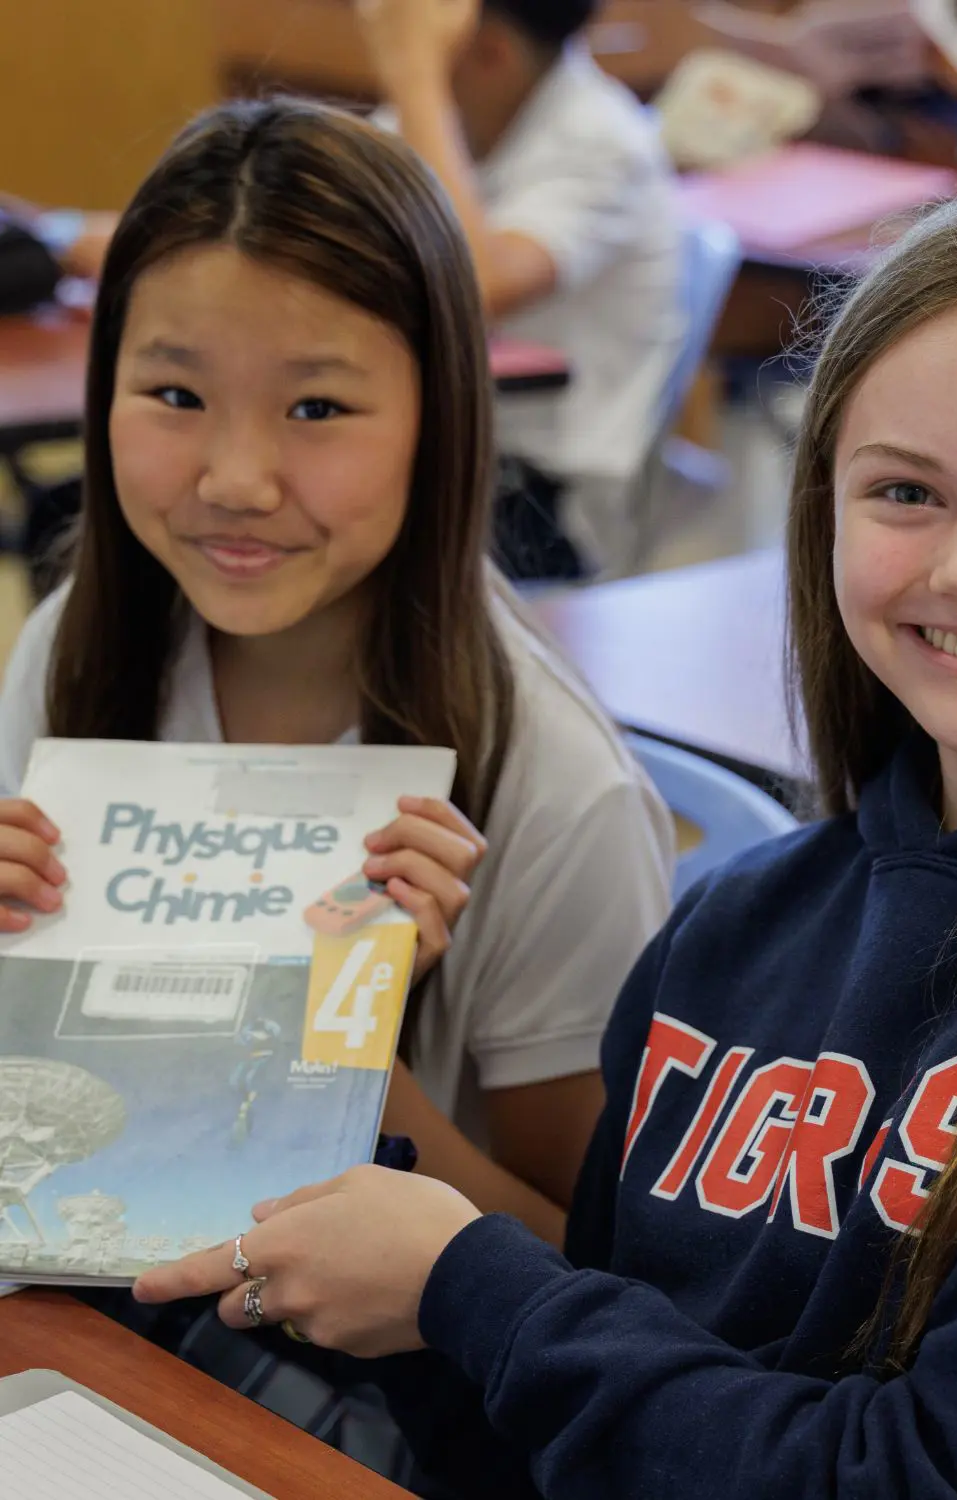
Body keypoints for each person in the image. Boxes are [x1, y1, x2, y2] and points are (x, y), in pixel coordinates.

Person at [139, 183, 957, 1499]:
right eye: (904, 491)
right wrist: (351, 1184)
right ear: (823, 509)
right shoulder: (732, 926)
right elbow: (575, 1425)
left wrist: (474, 1289)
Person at [0, 95, 673, 1478]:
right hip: (93, 1312)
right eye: (173, 396)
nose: (237, 478)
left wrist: (349, 1082)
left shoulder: (546, 786)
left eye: (318, 408)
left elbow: (602, 1279)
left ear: (439, 415)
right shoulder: (75, 651)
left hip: (396, 1407)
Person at [359, 0, 684, 579]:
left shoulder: (604, 141)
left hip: (543, 492)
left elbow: (473, 287)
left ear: (490, 53)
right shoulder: (439, 117)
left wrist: (415, 74)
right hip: (443, 444)